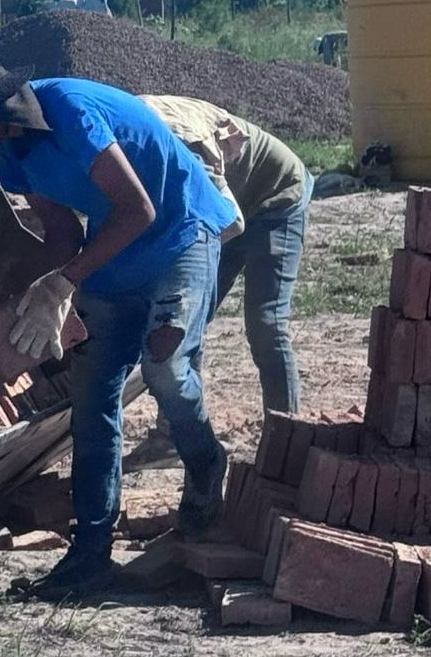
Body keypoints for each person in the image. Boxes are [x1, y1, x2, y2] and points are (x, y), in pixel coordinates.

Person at [0, 45, 236, 599]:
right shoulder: (7, 152)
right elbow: (62, 232)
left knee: (164, 367)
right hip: (112, 255)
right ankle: (90, 552)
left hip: (179, 235)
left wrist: (65, 283)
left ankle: (206, 460)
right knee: (92, 400)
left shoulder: (71, 111)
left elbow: (139, 209)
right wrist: (40, 292)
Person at [124, 95, 313, 472]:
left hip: (274, 196)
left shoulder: (181, 139)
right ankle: (171, 438)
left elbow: (225, 221)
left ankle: (287, 441)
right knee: (184, 318)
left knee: (266, 322)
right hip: (219, 206)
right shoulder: (119, 139)